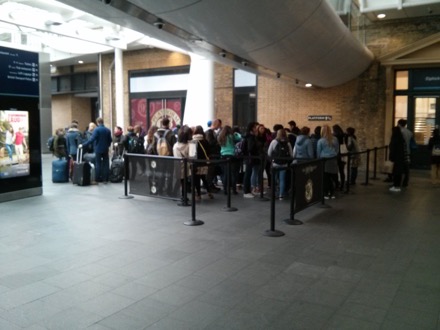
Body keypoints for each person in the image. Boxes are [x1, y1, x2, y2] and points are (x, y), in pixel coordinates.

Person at [79, 117, 112, 183]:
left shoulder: (96, 130)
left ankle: (97, 178)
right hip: (105, 149)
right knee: (106, 164)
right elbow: (110, 140)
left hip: (98, 149)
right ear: (103, 122)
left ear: (97, 122)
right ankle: (105, 179)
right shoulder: (108, 130)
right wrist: (107, 146)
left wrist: (83, 145)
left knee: (98, 163)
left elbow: (91, 140)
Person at [267, 128, 293, 200]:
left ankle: (274, 194)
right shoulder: (288, 143)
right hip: (284, 164)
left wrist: (272, 160)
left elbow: (269, 153)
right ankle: (281, 195)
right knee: (282, 180)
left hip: (275, 163)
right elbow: (291, 154)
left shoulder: (274, 142)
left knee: (274, 179)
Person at [217, 125, 241, 196]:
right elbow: (240, 137)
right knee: (233, 174)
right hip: (232, 155)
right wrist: (235, 133)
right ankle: (234, 190)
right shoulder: (232, 136)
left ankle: (225, 190)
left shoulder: (220, 137)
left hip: (223, 156)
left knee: (225, 174)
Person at [317, 125, 339, 199]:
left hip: (324, 160)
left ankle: (326, 193)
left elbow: (318, 152)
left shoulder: (320, 141)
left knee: (325, 178)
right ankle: (332, 193)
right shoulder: (335, 139)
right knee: (332, 177)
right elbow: (337, 150)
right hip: (333, 159)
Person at [191, 126, 213, 200]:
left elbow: (191, 154)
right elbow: (209, 152)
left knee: (196, 179)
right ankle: (209, 192)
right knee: (203, 177)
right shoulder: (205, 141)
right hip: (204, 162)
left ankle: (199, 195)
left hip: (196, 163)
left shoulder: (193, 142)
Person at [173, 125, 192, 200]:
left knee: (178, 180)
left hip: (177, 164)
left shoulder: (175, 145)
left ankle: (174, 193)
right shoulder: (189, 145)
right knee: (184, 180)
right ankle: (184, 196)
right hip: (185, 165)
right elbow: (191, 156)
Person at [388, 125, 410, 192]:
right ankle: (397, 186)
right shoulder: (402, 139)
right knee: (399, 173)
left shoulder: (394, 139)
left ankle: (396, 186)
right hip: (401, 158)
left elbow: (392, 149)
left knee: (395, 173)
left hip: (396, 159)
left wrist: (391, 158)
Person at [397, 119, 413, 187]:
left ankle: (398, 182)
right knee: (406, 168)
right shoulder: (409, 132)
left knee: (398, 167)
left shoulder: (399, 132)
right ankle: (405, 182)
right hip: (408, 151)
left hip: (400, 152)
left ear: (399, 124)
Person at [332, 124, 346, 190]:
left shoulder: (334, 137)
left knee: (335, 170)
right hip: (342, 154)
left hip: (336, 154)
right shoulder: (343, 135)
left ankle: (337, 184)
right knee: (341, 170)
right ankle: (342, 184)